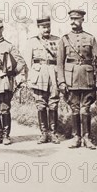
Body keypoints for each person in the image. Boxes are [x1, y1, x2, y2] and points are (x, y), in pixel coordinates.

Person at [57, 9, 97, 149]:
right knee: (75, 109)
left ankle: (87, 137)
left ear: (82, 20)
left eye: (76, 19)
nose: (73, 22)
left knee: (86, 109)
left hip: (87, 78)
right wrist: (61, 81)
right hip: (70, 79)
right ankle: (76, 137)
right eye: (71, 19)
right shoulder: (64, 39)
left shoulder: (90, 38)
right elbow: (59, 63)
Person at [26, 16, 61, 144]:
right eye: (43, 27)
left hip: (53, 73)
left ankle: (53, 133)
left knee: (53, 103)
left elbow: (61, 60)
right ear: (38, 27)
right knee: (40, 103)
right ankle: (44, 133)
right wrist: (29, 79)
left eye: (48, 27)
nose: (46, 29)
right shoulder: (32, 42)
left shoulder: (58, 40)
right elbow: (27, 62)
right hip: (38, 74)